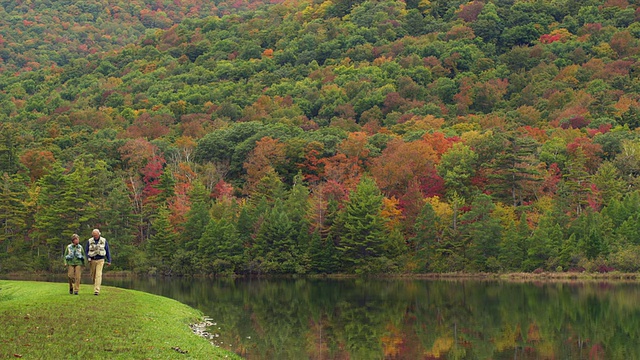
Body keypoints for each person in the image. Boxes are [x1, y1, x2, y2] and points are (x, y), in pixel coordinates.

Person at [85, 229, 111, 296]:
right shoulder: (89, 241)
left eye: (96, 235)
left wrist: (109, 260)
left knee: (98, 275)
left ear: (99, 234)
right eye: (94, 235)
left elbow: (107, 250)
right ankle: (95, 284)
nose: (95, 236)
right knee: (93, 275)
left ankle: (97, 290)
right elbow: (86, 250)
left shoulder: (104, 240)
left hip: (100, 259)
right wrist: (88, 257)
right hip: (92, 260)